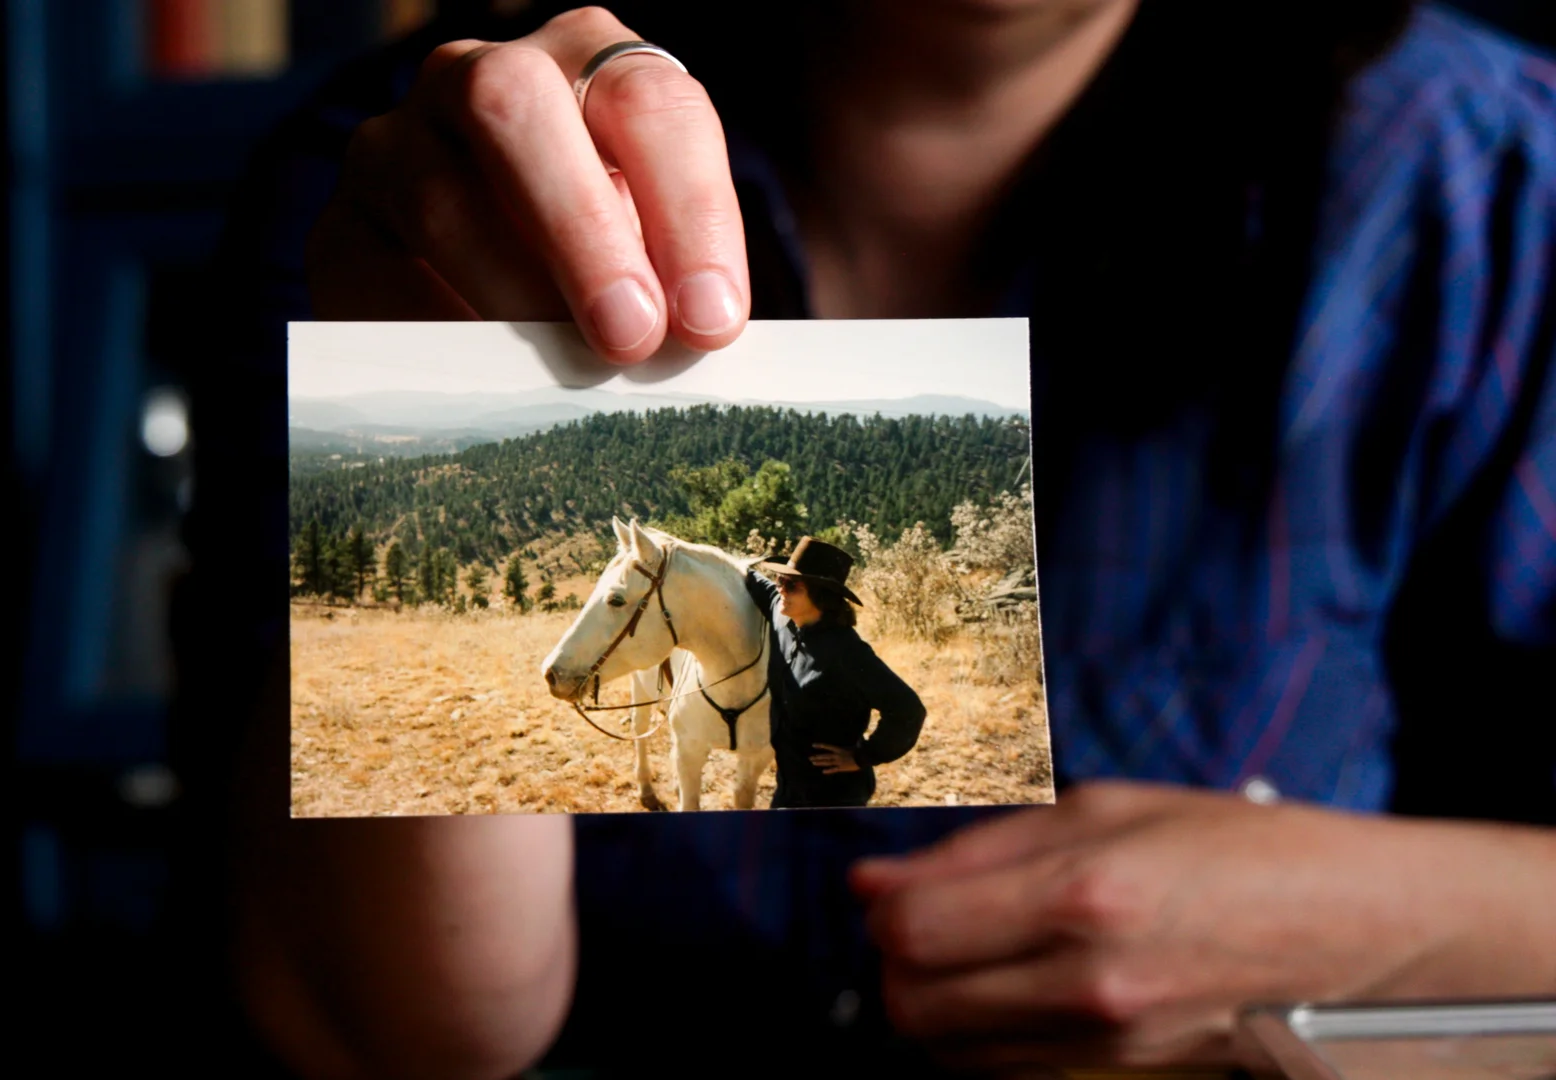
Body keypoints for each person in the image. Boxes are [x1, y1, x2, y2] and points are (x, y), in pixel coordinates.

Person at [172, 1, 1556, 1077]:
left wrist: (1369, 922)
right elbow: (391, 1034)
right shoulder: (414, 174)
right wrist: (443, 392)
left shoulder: (1481, 178)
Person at [746, 536, 925, 809]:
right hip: (789, 785)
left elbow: (908, 709)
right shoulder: (784, 618)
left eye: (791, 584)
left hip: (834, 795)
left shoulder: (847, 652)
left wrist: (862, 757)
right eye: (780, 580)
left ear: (821, 595)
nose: (781, 588)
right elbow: (762, 587)